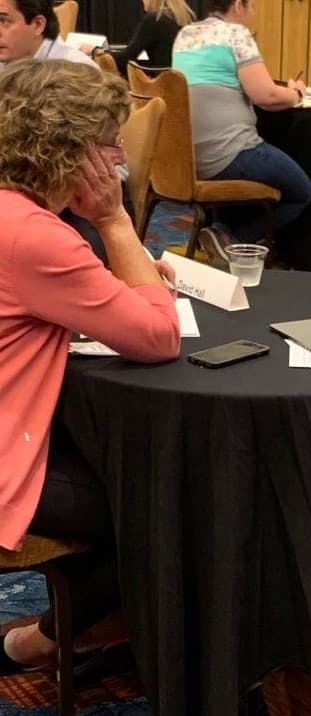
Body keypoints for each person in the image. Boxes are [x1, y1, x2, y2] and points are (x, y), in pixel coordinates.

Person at [0, 58, 180, 671]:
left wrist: (119, 280)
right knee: (172, 503)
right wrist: (113, 219)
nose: (120, 163)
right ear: (70, 152)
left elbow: (58, 300)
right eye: (110, 146)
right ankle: (41, 642)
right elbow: (158, 338)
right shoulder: (36, 237)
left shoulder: (15, 216)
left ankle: (108, 618)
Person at [172, 0, 311, 270]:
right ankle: (231, 239)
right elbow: (267, 96)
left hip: (189, 158)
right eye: (252, 7)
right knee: (301, 190)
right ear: (238, 5)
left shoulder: (184, 35)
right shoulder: (236, 34)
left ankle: (218, 230)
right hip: (230, 151)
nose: (254, 14)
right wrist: (296, 93)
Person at [0, 0, 136, 267]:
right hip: (24, 195)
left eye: (4, 21)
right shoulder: (6, 67)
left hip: (80, 198)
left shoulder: (78, 75)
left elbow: (110, 167)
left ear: (38, 24)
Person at [81, 0, 195, 74]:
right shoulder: (186, 17)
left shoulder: (154, 20)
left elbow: (125, 59)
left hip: (159, 84)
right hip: (183, 83)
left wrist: (95, 51)